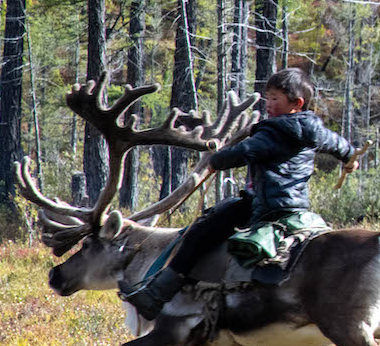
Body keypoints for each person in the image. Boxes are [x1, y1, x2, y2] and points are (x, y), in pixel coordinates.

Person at [122, 68, 357, 320]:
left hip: (265, 207)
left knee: (201, 231)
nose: (269, 104)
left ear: (296, 104)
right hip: (297, 208)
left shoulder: (273, 131)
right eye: (268, 97)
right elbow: (339, 144)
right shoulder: (315, 129)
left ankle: (155, 295)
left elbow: (244, 151)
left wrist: (218, 160)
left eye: (275, 98)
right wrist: (349, 157)